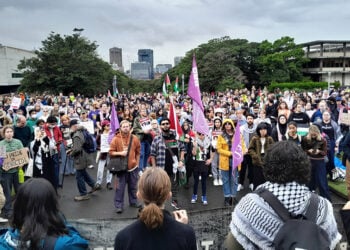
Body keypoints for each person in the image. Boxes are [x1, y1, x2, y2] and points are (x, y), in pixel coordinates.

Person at [226, 141, 341, 249]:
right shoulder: (323, 206)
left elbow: (231, 246)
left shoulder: (250, 204)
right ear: (305, 166)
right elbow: (334, 246)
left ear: (268, 166)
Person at [114, 167, 196, 250]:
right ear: (169, 195)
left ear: (139, 195)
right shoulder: (186, 234)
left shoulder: (123, 238)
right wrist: (181, 229)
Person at [0, 178, 89, 249]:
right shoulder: (64, 245)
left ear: (18, 206)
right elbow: (81, 244)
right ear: (51, 207)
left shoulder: (3, 240)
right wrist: (60, 221)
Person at [150, 118, 186, 210]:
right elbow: (153, 154)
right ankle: (159, 205)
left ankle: (174, 201)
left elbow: (183, 149)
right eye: (163, 124)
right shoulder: (157, 139)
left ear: (170, 125)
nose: (165, 125)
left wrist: (181, 160)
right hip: (161, 168)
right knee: (160, 187)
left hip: (174, 168)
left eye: (167, 123)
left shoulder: (176, 137)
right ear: (160, 126)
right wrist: (154, 168)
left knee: (174, 186)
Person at [109, 120, 141, 213]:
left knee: (133, 186)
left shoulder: (135, 138)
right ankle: (119, 205)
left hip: (133, 167)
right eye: (124, 126)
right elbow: (110, 152)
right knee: (120, 188)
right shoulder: (116, 139)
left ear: (130, 127)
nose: (126, 128)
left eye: (127, 126)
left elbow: (138, 152)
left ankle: (133, 202)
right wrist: (120, 153)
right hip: (121, 168)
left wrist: (137, 163)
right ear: (120, 128)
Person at [68, 119, 101, 201]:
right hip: (86, 155)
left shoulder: (77, 135)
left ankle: (83, 194)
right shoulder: (83, 131)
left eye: (71, 127)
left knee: (79, 176)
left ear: (74, 126)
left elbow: (77, 149)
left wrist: (71, 153)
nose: (70, 129)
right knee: (83, 172)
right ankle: (94, 185)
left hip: (80, 157)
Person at [217, 119, 247, 206]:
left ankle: (233, 197)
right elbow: (219, 149)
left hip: (235, 161)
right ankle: (227, 197)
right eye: (225, 124)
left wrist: (243, 151)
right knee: (226, 180)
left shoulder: (238, 135)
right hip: (225, 160)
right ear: (223, 126)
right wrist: (230, 153)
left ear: (232, 125)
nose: (227, 125)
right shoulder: (221, 136)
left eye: (229, 124)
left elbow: (243, 146)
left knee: (234, 180)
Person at [301, 124, 331, 201]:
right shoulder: (305, 139)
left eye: (315, 135)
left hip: (320, 162)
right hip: (309, 162)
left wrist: (319, 151)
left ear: (317, 133)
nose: (313, 136)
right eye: (312, 135)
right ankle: (307, 200)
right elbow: (302, 150)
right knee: (309, 182)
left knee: (322, 182)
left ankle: (327, 200)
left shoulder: (323, 140)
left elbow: (325, 152)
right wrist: (308, 151)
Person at [0, 125, 24, 219]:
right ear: (4, 134)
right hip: (6, 172)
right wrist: (3, 165)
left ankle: (21, 209)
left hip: (17, 171)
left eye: (10, 131)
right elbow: (1, 159)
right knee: (7, 192)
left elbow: (22, 154)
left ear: (13, 133)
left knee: (20, 190)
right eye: (7, 132)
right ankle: (8, 210)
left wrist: (21, 164)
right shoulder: (1, 144)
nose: (9, 133)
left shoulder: (18, 142)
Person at [248, 122, 274, 190]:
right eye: (261, 129)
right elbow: (250, 149)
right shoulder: (254, 138)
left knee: (266, 177)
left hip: (266, 158)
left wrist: (270, 156)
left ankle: (266, 192)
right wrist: (255, 156)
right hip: (257, 159)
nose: (263, 131)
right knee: (257, 177)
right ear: (258, 130)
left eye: (265, 129)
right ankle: (256, 191)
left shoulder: (269, 138)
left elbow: (273, 148)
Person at [30, 127, 56, 191]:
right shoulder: (33, 142)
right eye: (38, 131)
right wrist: (38, 140)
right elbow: (34, 151)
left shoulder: (47, 139)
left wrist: (45, 138)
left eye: (42, 131)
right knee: (39, 180)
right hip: (38, 165)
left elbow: (52, 148)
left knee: (48, 178)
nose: (40, 133)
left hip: (47, 164)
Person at [190, 131, 213, 205]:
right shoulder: (194, 141)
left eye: (203, 134)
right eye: (199, 134)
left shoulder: (208, 142)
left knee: (204, 181)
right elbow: (193, 153)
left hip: (205, 163)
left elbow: (213, 151)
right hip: (196, 163)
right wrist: (195, 146)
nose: (201, 136)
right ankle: (194, 195)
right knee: (196, 181)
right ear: (197, 134)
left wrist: (211, 159)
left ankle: (204, 196)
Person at [96, 120, 113, 190]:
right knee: (100, 168)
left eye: (109, 125)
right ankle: (98, 182)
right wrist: (100, 148)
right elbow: (97, 143)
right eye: (107, 125)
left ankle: (108, 182)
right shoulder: (100, 135)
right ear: (104, 127)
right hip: (103, 153)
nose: (109, 127)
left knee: (110, 168)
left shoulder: (112, 134)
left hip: (110, 153)